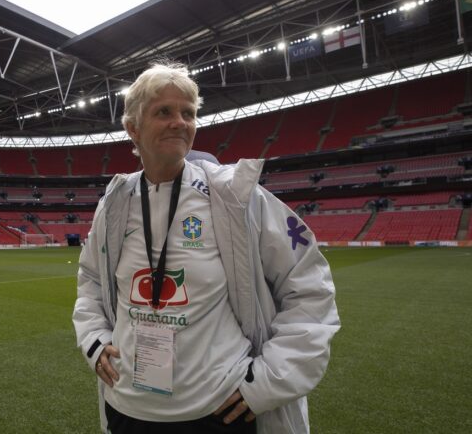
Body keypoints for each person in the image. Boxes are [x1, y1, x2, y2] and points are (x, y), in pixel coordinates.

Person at [72, 61, 340, 434]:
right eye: (163, 112)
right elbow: (90, 281)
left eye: (188, 113)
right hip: (128, 408)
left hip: (219, 410)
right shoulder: (114, 203)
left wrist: (265, 382)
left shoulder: (235, 196)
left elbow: (309, 286)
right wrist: (95, 341)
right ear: (132, 128)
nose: (179, 122)